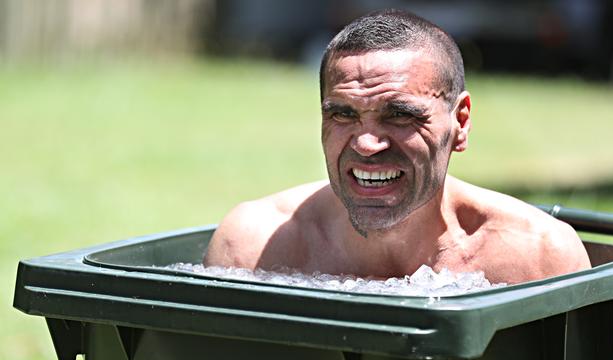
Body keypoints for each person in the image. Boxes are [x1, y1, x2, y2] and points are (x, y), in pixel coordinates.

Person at [203, 9, 591, 284]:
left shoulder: (538, 259)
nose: (368, 143)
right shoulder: (251, 251)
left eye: (400, 116)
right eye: (343, 115)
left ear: (460, 122)